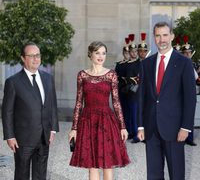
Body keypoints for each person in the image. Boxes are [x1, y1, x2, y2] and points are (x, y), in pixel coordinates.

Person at [137, 22, 196, 180]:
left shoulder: (184, 63)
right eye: (157, 35)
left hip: (175, 129)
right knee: (153, 173)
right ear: (154, 38)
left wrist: (185, 127)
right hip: (151, 128)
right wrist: (141, 125)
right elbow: (142, 96)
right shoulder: (146, 64)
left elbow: (190, 99)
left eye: (164, 35)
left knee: (176, 173)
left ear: (171, 36)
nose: (161, 39)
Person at [68, 41, 130, 180]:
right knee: (92, 165)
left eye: (103, 53)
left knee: (107, 165)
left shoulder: (111, 75)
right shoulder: (82, 75)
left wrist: (122, 126)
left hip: (106, 122)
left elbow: (116, 102)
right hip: (88, 121)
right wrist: (74, 128)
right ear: (90, 54)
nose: (101, 56)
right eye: (97, 52)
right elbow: (78, 103)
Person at [2, 42, 59, 180]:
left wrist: (53, 129)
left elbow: (52, 105)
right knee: (22, 174)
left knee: (40, 174)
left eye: (38, 55)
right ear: (23, 58)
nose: (36, 59)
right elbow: (7, 111)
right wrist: (10, 136)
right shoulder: (13, 82)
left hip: (44, 137)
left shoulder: (48, 78)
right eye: (31, 56)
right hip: (23, 139)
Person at [181, 36, 197, 146]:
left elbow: (196, 78)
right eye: (185, 53)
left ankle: (190, 138)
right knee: (181, 116)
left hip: (191, 94)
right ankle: (181, 137)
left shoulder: (194, 64)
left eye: (189, 53)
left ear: (191, 54)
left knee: (190, 115)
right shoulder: (179, 64)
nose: (187, 55)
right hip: (180, 95)